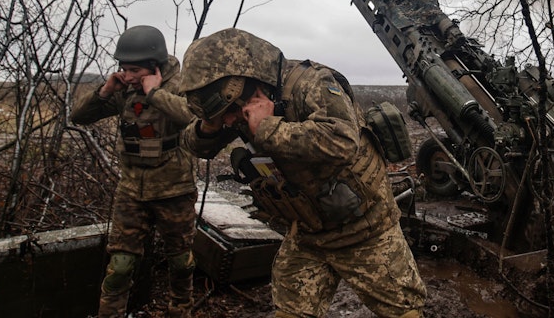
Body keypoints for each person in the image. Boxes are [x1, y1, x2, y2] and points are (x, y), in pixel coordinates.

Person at [179, 28, 426, 318]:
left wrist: (268, 129)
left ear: (244, 80)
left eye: (229, 111)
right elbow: (195, 145)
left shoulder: (312, 82)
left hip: (365, 230)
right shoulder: (235, 106)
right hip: (307, 234)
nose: (229, 121)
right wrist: (209, 126)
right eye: (223, 116)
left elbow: (342, 141)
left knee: (404, 313)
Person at [72, 25, 197, 318]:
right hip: (131, 191)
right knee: (120, 266)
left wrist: (154, 93)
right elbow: (79, 117)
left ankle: (181, 312)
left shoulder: (179, 87)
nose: (127, 76)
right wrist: (105, 91)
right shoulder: (124, 90)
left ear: (154, 67)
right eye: (123, 69)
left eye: (134, 70)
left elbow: (193, 118)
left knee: (181, 263)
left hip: (173, 190)